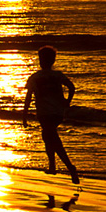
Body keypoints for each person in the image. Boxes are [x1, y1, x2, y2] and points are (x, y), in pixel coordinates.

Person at [23, 45, 79, 184]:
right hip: (57, 112)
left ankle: (69, 167)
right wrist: (67, 102)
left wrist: (24, 115)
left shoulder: (35, 77)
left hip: (44, 112)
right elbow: (71, 87)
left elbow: (28, 97)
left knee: (51, 137)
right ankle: (53, 165)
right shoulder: (57, 75)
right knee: (48, 136)